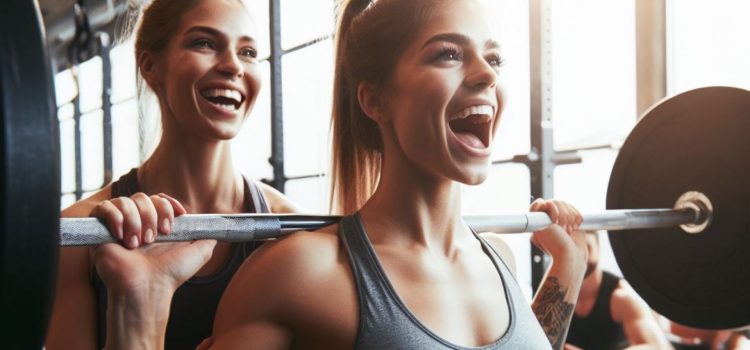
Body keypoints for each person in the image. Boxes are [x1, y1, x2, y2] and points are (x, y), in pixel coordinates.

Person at [202, 0, 588, 349]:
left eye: (494, 59)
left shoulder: (500, 260)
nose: (487, 74)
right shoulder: (300, 273)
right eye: (449, 54)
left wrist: (568, 265)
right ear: (375, 100)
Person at [46, 0, 300, 349]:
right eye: (204, 43)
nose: (232, 66)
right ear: (150, 66)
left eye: (248, 51)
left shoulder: (292, 230)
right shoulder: (78, 234)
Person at [565, 231, 673, 350]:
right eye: (572, 248)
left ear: (598, 247)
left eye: (585, 248)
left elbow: (657, 347)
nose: (578, 255)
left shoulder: (622, 296)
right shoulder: (553, 294)